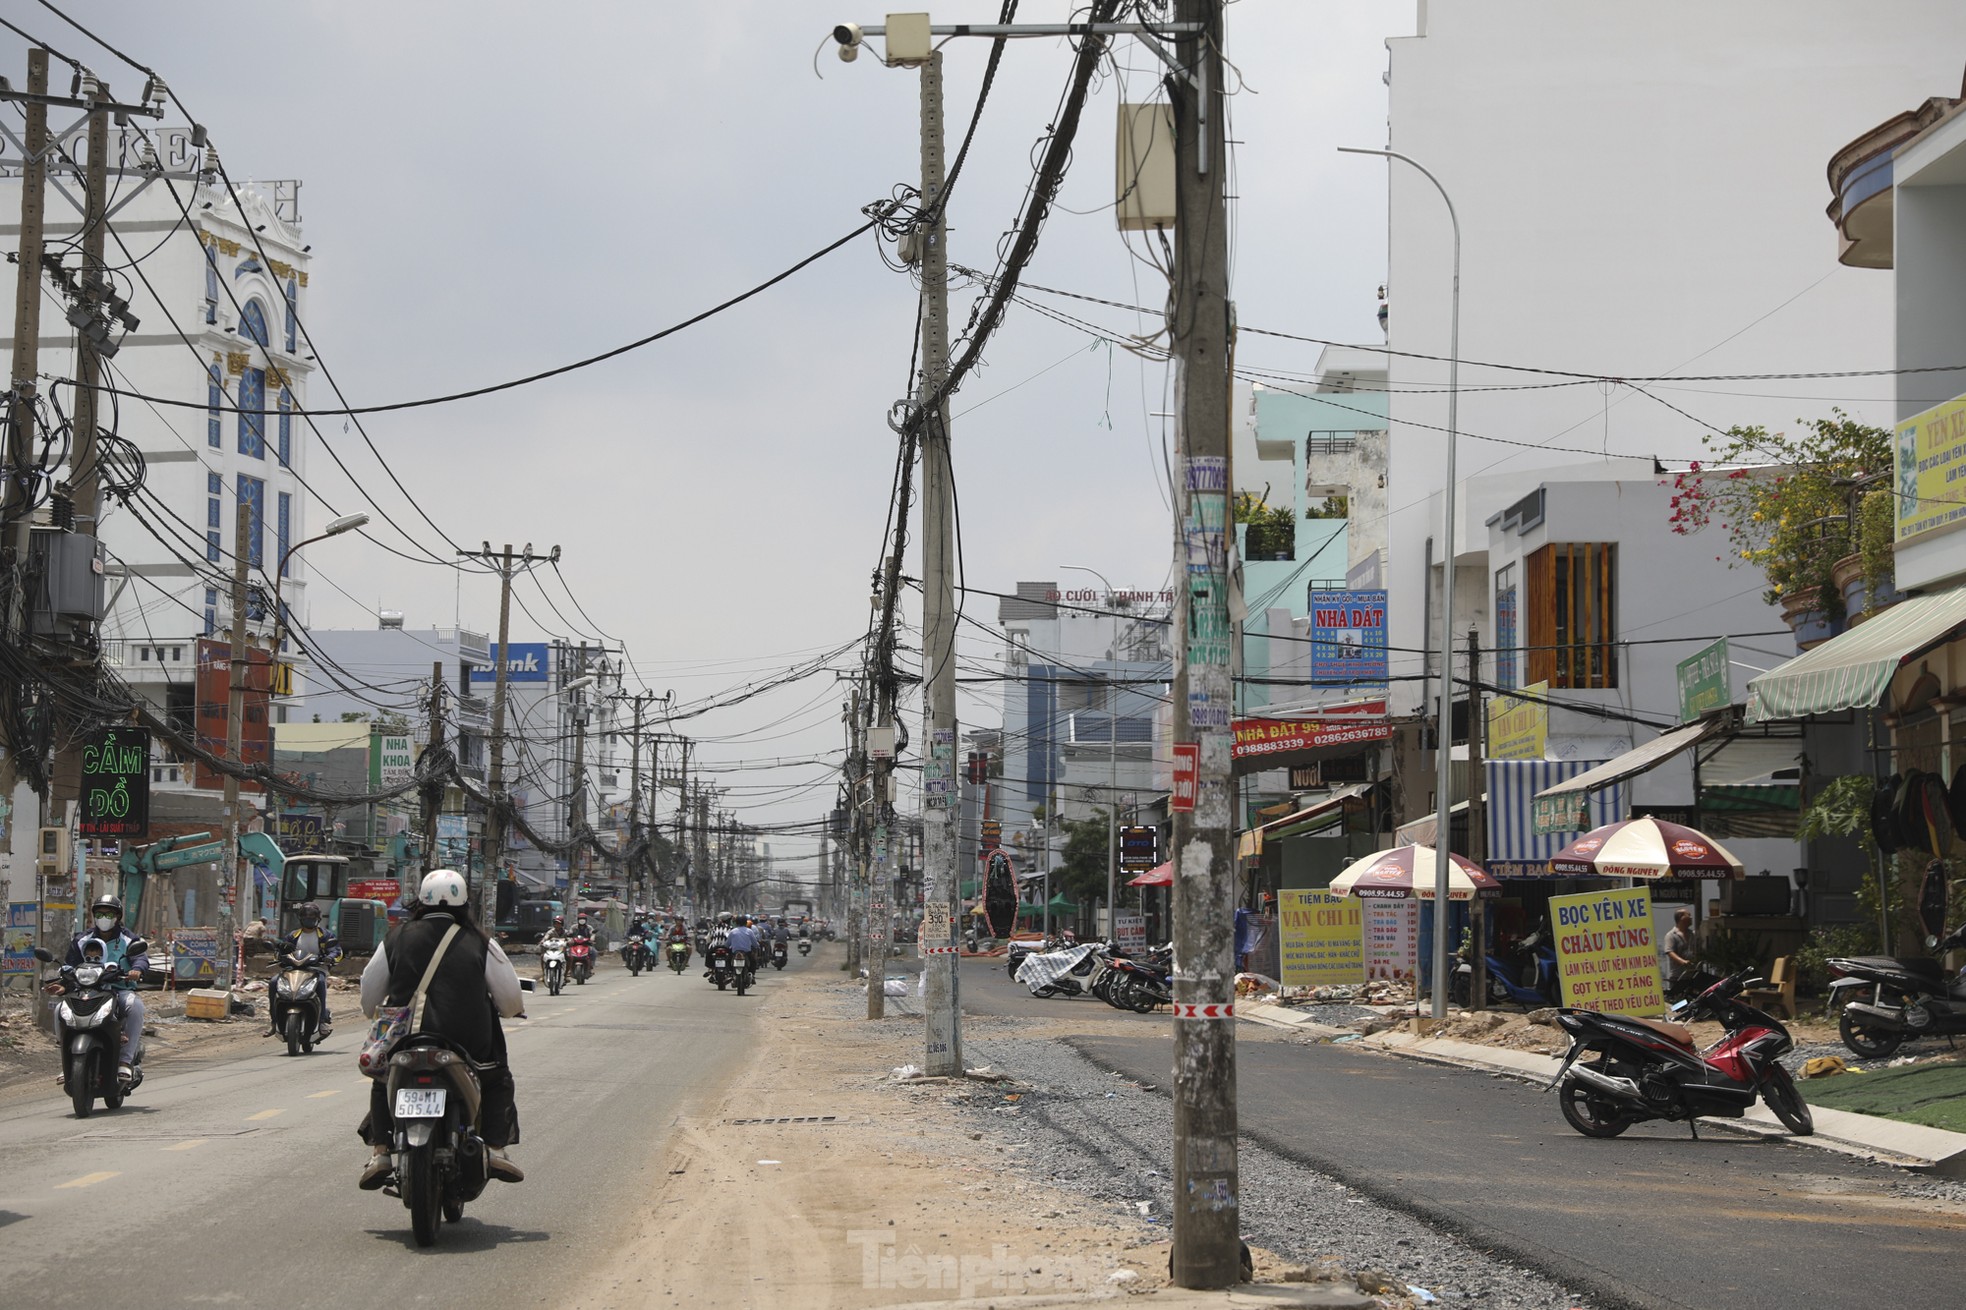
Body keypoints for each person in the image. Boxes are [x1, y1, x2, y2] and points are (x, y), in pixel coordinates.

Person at [357, 869, 526, 1190]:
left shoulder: (396, 937)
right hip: (470, 1045)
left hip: (404, 1040)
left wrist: (375, 1012)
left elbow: (369, 995)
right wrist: (512, 1011)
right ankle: (494, 1146)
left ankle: (380, 1151)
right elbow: (509, 999)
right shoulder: (480, 941)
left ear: (420, 900)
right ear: (465, 903)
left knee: (382, 1077)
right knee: (497, 1079)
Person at [62, 894, 150, 1085]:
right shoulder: (82, 939)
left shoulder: (128, 939)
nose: (104, 918)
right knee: (61, 1009)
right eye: (100, 913)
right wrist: (63, 981)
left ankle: (125, 1060)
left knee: (135, 1007)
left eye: (109, 914)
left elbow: (141, 957)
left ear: (117, 916)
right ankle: (65, 1059)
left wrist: (137, 969)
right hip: (87, 990)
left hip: (119, 990)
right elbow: (70, 963)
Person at [275, 903, 343, 1038]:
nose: (309, 919)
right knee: (273, 983)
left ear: (318, 918)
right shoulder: (293, 936)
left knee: (321, 985)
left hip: (317, 970)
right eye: (306, 917)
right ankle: (273, 1022)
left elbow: (337, 951)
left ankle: (322, 1021)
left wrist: (330, 957)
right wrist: (282, 950)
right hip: (293, 970)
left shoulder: (325, 935)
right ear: (300, 919)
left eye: (312, 917)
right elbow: (278, 952)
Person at [1663, 909, 1698, 991]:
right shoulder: (1671, 935)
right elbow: (1670, 952)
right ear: (1680, 917)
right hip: (1678, 976)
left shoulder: (1692, 934)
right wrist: (1683, 961)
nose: (1691, 917)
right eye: (1688, 915)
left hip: (1692, 975)